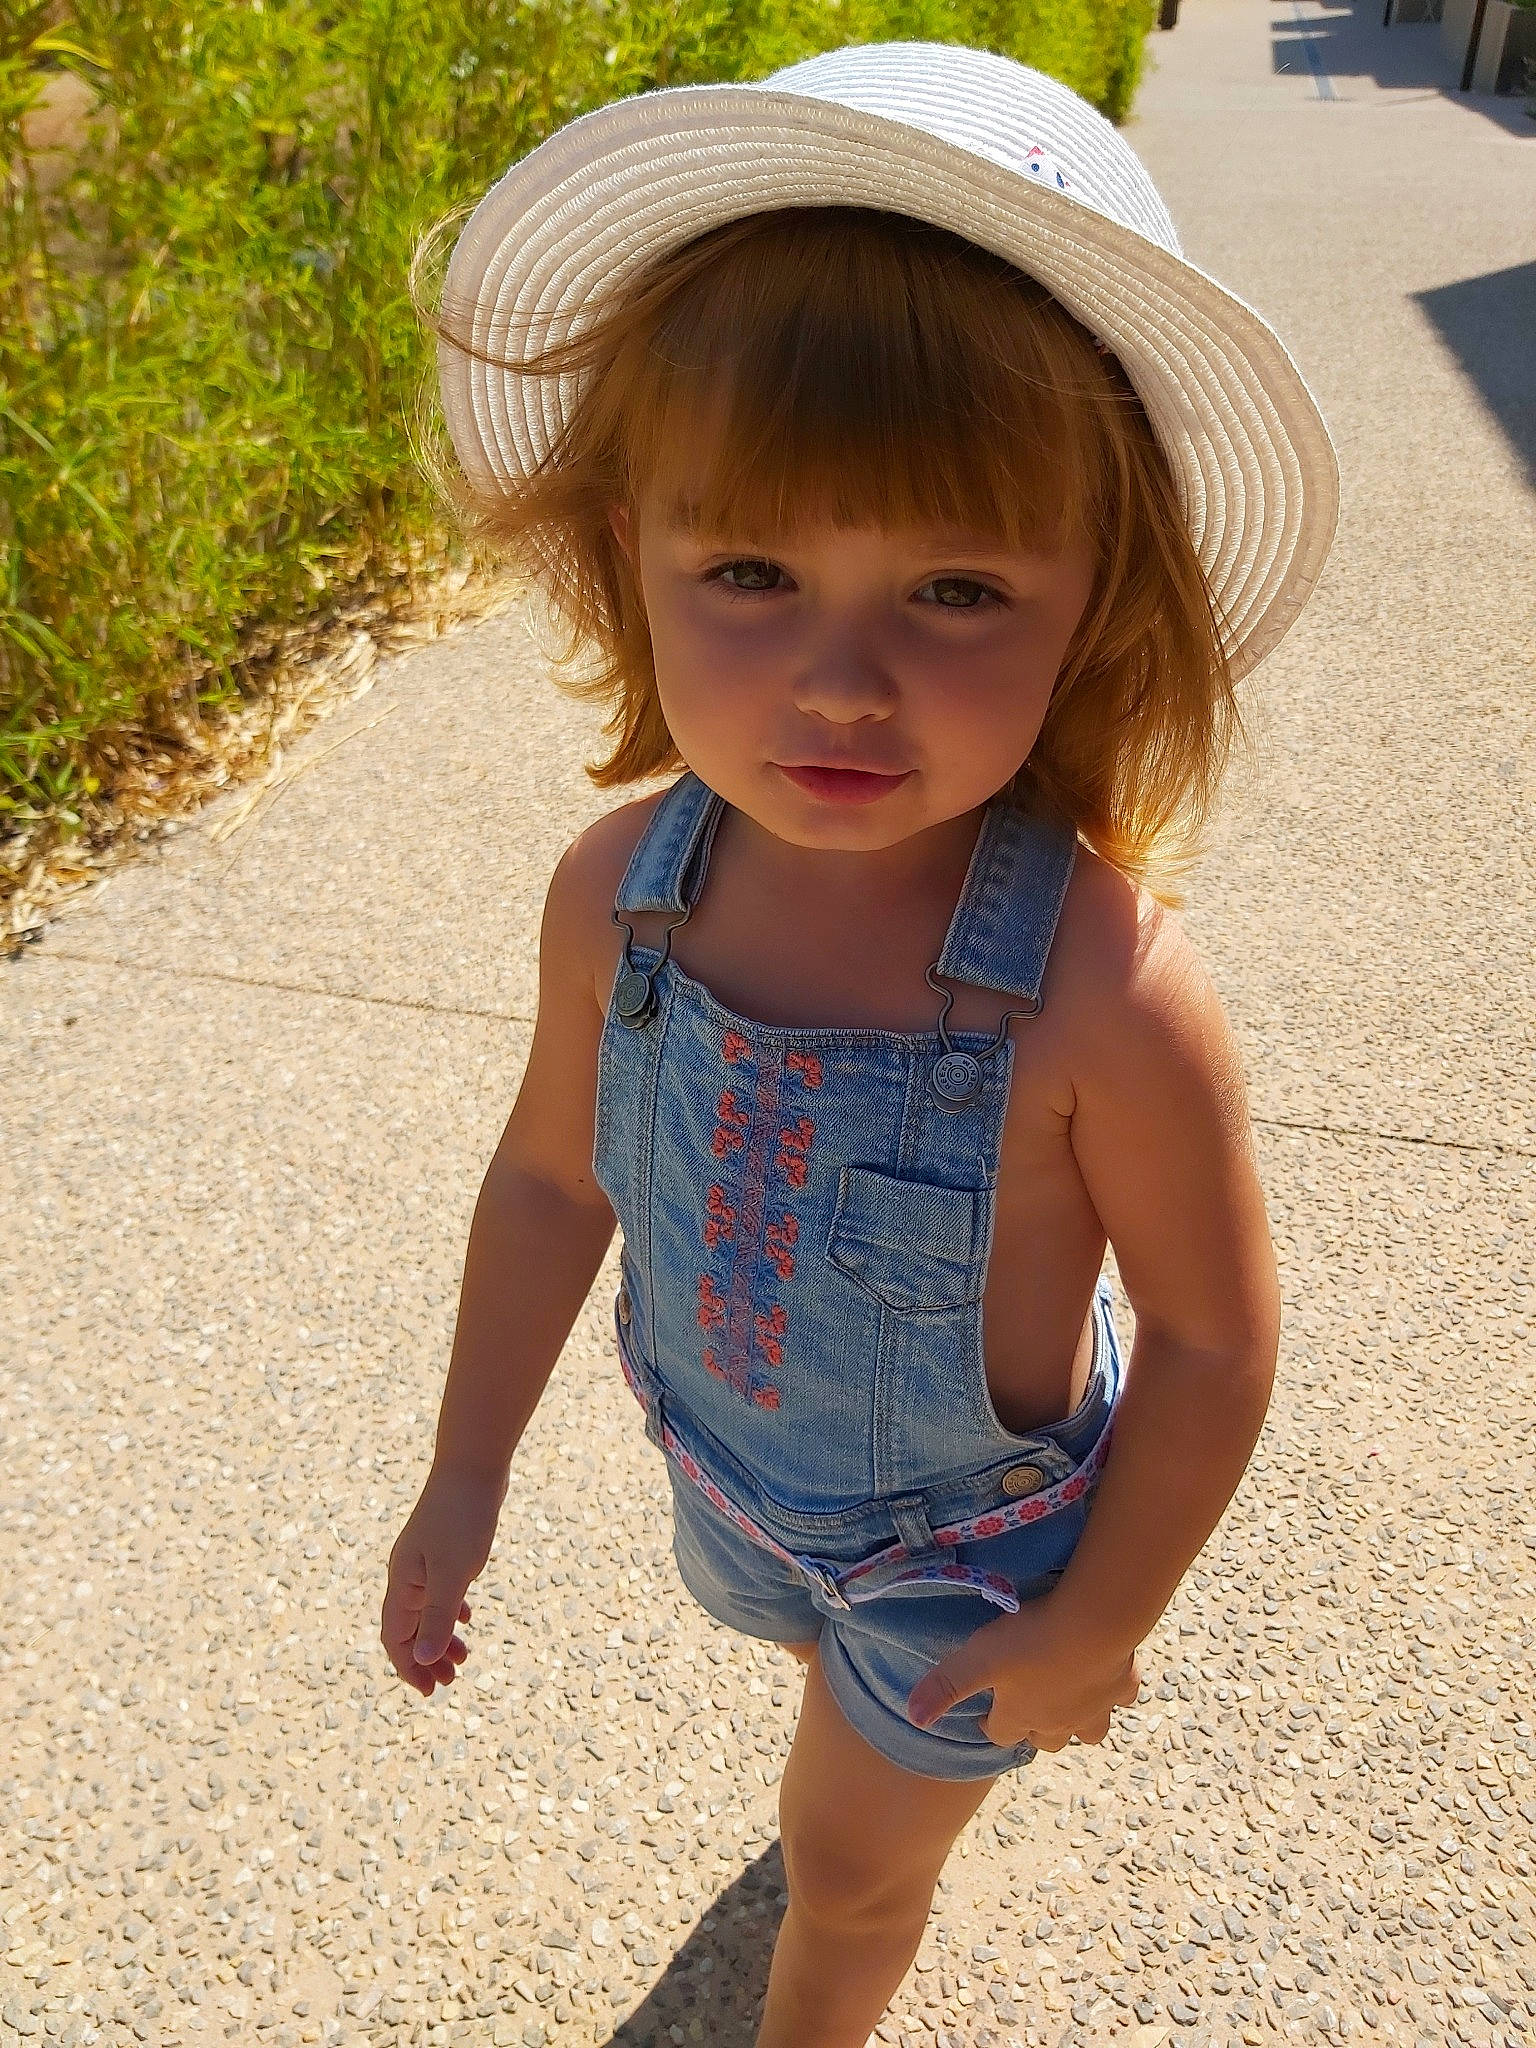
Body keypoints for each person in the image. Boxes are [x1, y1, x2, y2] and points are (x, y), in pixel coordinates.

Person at [380, 40, 1339, 2048]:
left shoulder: (1097, 987)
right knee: (800, 1685)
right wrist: (464, 1471)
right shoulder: (617, 896)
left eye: (958, 588)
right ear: (627, 548)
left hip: (972, 1560)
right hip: (724, 1473)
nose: (840, 673)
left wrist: (1101, 1621)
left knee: (850, 1866)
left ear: (1102, 609)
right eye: (749, 571)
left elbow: (1216, 1334)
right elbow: (557, 1172)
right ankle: (851, 1737)